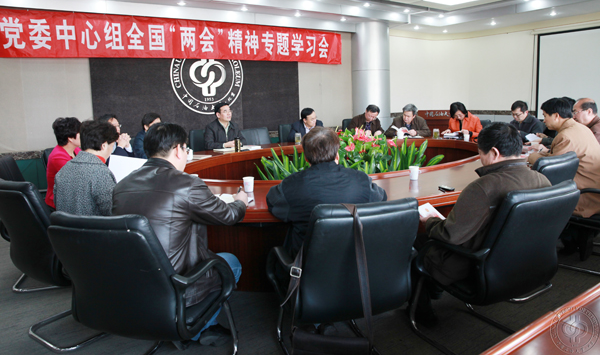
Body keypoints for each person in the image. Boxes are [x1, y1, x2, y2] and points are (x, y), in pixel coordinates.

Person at [112, 122, 248, 346]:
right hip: (177, 285)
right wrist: (240, 201)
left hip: (132, 283)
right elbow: (229, 216)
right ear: (178, 149)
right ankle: (195, 329)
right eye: (186, 149)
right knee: (231, 263)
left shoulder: (122, 185)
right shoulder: (187, 183)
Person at [416, 123, 551, 325]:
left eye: (480, 153)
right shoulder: (542, 180)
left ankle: (422, 313)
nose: (480, 158)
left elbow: (450, 235)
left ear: (494, 152)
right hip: (526, 263)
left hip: (478, 265)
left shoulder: (483, 187)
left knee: (417, 244)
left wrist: (430, 221)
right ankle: (435, 288)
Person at [267, 126, 387, 258]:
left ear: (306, 157)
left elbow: (273, 202)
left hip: (307, 265)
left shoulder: (292, 185)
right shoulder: (361, 180)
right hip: (355, 264)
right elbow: (382, 198)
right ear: (337, 154)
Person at [528, 98, 600, 259]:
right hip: (592, 187)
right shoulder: (580, 128)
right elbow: (559, 157)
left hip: (585, 195)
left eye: (545, 115)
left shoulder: (566, 135)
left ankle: (539, 252)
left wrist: (531, 156)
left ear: (556, 115)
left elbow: (551, 168)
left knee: (533, 199)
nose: (544, 120)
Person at [54, 120, 119, 216]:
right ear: (104, 146)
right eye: (112, 146)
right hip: (94, 225)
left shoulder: (63, 170)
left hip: (66, 225)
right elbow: (113, 212)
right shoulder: (101, 172)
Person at [45, 117, 81, 210]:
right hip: (60, 202)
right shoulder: (58, 156)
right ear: (70, 138)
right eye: (80, 132)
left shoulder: (76, 150)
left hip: (74, 197)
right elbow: (78, 178)